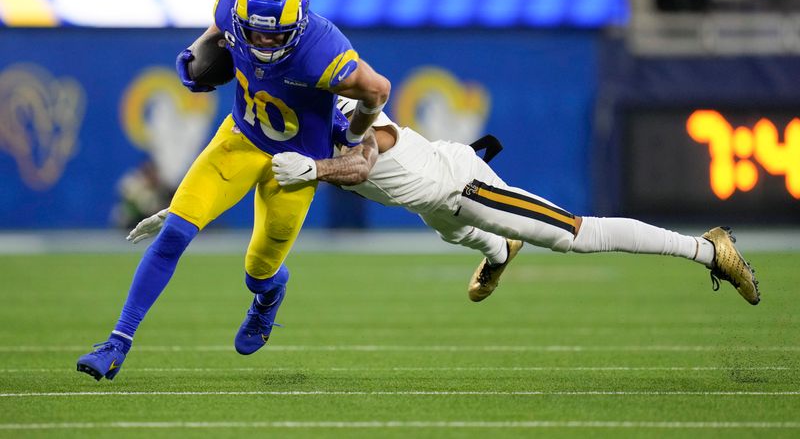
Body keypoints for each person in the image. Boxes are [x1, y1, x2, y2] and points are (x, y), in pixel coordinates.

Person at [130, 97, 760, 310]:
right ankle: (497, 247)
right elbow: (240, 172)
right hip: (435, 200)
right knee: (455, 235)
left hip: (463, 184)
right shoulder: (299, 124)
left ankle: (708, 248)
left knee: (575, 232)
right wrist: (183, 211)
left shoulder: (354, 124)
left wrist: (318, 167)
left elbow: (360, 158)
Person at [76, 0, 391, 381]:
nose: (262, 40)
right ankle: (117, 342)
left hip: (295, 167)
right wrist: (195, 56)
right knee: (175, 232)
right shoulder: (231, 6)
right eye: (253, 30)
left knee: (259, 272)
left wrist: (351, 135)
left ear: (297, 24)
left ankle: (268, 295)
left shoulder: (323, 50)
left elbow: (378, 89)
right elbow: (216, 31)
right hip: (239, 140)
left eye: (274, 33)